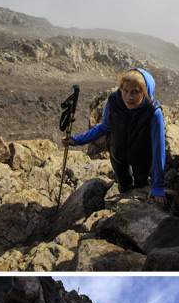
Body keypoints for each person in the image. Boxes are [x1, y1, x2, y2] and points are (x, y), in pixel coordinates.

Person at [63, 67, 166, 203]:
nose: (129, 97)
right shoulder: (114, 100)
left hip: (142, 156)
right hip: (118, 153)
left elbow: (158, 149)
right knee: (124, 186)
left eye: (135, 92)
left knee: (141, 184)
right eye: (126, 91)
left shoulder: (153, 112)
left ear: (145, 92)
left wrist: (158, 187)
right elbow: (104, 127)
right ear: (121, 89)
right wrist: (77, 141)